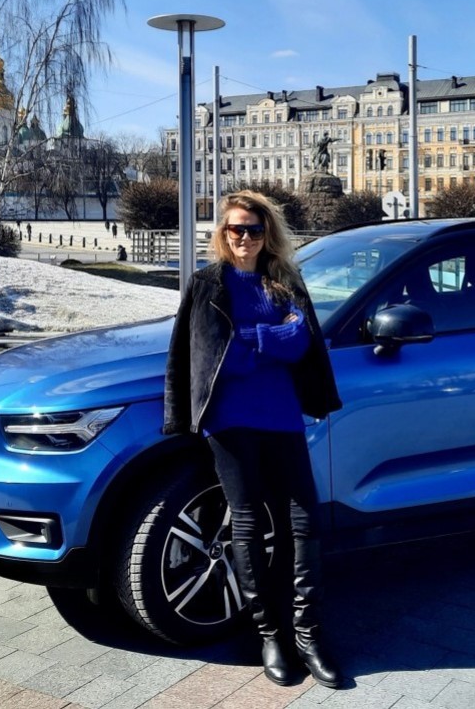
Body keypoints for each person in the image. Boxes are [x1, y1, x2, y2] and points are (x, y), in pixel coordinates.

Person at [164, 191, 343, 688]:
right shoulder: (207, 284)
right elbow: (208, 357)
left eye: (255, 230)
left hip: (282, 416)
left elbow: (302, 342)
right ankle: (269, 635)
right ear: (223, 234)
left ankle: (308, 635)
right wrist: (271, 338)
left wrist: (254, 337)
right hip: (229, 420)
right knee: (245, 523)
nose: (245, 237)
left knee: (304, 521)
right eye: (236, 229)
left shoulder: (284, 280)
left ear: (268, 234)